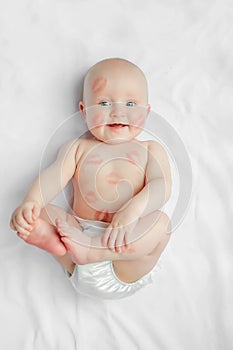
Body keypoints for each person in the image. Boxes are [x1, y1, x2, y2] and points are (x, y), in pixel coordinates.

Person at [10, 58, 172, 299]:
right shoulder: (77, 148)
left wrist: (132, 211)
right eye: (104, 103)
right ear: (84, 110)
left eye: (130, 103)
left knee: (161, 224)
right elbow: (54, 176)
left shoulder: (150, 150)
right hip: (78, 240)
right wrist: (31, 203)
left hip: (126, 258)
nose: (118, 111)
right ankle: (58, 247)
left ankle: (93, 251)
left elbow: (162, 186)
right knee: (45, 213)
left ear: (146, 111)